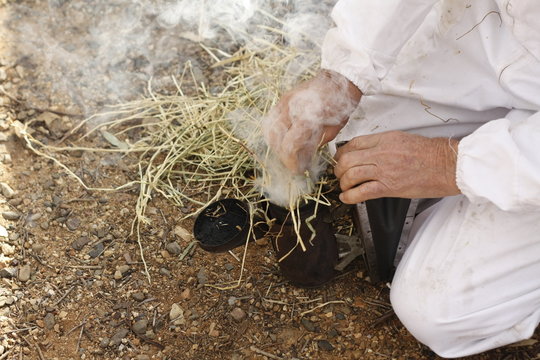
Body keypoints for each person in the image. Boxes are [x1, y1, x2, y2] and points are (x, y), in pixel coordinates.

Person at [262, 0, 540, 358]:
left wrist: (450, 162)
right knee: (354, 124)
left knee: (438, 310)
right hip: (505, 31)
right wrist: (343, 73)